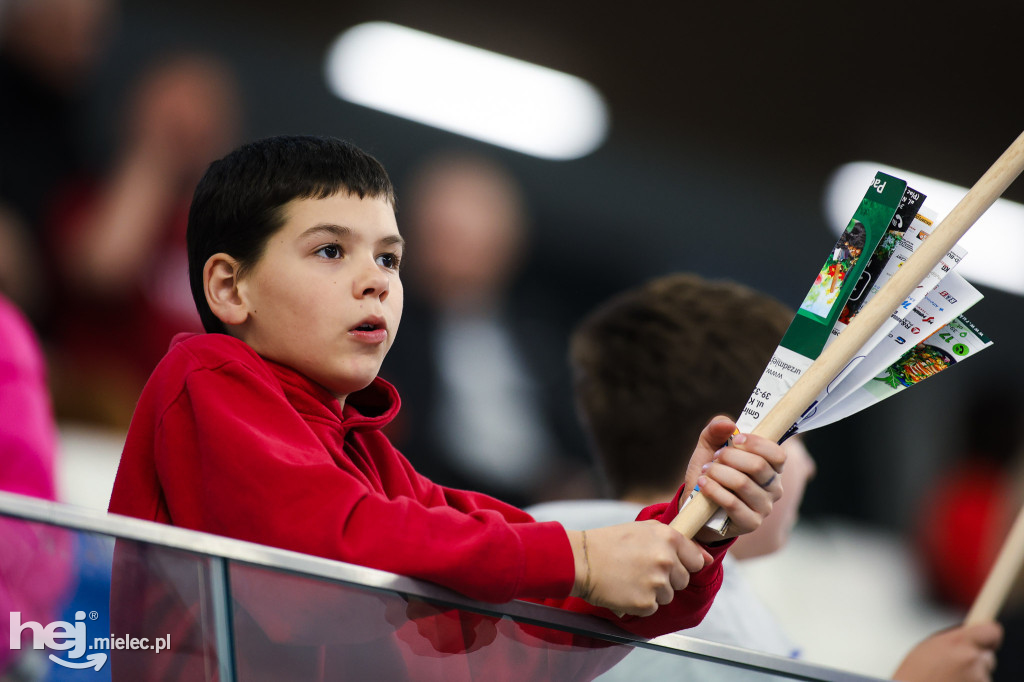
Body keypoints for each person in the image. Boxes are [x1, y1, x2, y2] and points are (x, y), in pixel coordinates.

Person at [105, 135, 787, 680]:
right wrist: (579, 556)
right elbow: (334, 544)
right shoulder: (205, 375)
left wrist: (692, 527)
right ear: (230, 287)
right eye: (332, 250)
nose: (375, 280)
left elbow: (533, 612)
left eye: (390, 258)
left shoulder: (374, 459)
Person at [529, 272, 1003, 682]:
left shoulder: (534, 538)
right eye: (799, 435)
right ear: (732, 444)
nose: (811, 466)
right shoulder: (711, 627)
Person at [381, 151, 593, 507]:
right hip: (441, 503)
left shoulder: (540, 332)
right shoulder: (386, 326)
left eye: (470, 237)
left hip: (554, 507)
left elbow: (577, 432)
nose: (453, 256)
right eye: (442, 234)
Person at [45, 52, 242, 428]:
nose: (189, 123)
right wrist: (156, 153)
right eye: (173, 112)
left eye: (206, 113)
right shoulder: (88, 200)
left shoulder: (231, 236)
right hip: (100, 417)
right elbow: (102, 270)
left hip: (196, 423)